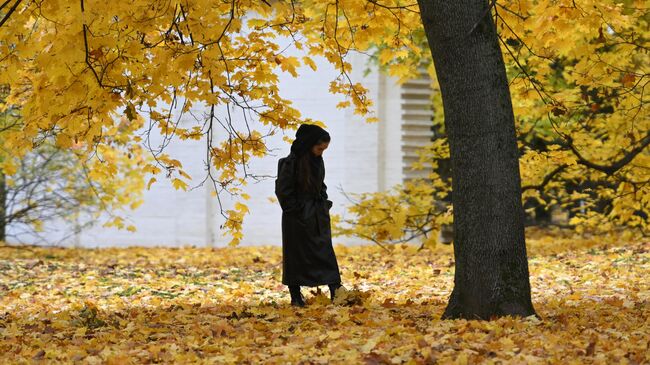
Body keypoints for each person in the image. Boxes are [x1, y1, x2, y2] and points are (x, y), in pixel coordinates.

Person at [275, 124, 342, 307]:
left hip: (317, 214)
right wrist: (296, 211)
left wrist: (323, 202)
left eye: (324, 149)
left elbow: (321, 184)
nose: (321, 153)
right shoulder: (289, 163)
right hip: (296, 218)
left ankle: (337, 291)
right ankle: (295, 296)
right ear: (309, 144)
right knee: (296, 256)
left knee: (325, 252)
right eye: (320, 148)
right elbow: (283, 191)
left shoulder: (317, 161)